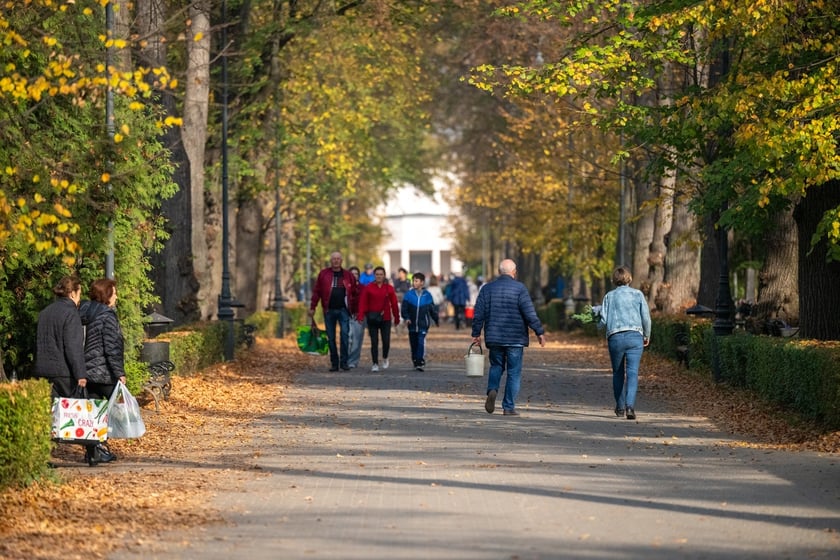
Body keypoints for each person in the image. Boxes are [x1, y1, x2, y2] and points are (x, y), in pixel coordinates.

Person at [34, 275, 109, 466]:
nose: (79, 298)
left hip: (43, 369)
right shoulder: (71, 314)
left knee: (47, 414)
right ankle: (93, 451)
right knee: (83, 411)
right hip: (64, 371)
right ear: (73, 292)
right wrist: (80, 374)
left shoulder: (45, 312)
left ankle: (44, 456)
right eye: (79, 293)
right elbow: (73, 347)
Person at [471, 259, 546, 416]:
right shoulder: (520, 289)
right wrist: (539, 332)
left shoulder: (487, 289)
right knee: (514, 372)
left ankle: (492, 390)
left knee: (496, 366)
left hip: (494, 336)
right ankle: (508, 407)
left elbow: (479, 313)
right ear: (514, 272)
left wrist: (476, 333)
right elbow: (529, 313)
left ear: (499, 272)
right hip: (515, 338)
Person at [78, 278, 126, 463]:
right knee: (117, 408)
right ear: (107, 295)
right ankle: (100, 447)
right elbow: (111, 348)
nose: (116, 296)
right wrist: (119, 373)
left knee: (92, 412)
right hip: (104, 373)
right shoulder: (107, 315)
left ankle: (92, 452)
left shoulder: (82, 312)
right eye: (114, 293)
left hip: (85, 372)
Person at [598, 266, 651, 420]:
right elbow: (646, 318)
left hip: (615, 338)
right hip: (635, 337)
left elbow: (603, 321)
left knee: (618, 372)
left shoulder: (609, 297)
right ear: (629, 278)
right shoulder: (638, 295)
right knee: (633, 372)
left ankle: (620, 407)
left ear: (614, 279)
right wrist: (646, 335)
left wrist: (597, 323)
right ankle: (630, 406)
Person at [309, 251, 359, 372]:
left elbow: (354, 293)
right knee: (330, 338)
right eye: (334, 259)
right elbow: (317, 292)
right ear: (331, 261)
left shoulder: (348, 275)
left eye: (338, 259)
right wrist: (313, 307)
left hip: (344, 310)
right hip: (329, 310)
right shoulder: (324, 274)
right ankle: (334, 363)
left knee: (345, 336)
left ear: (341, 261)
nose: (336, 261)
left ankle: (344, 362)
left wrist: (355, 310)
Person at [357, 266, 400, 372]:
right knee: (374, 341)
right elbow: (363, 302)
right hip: (372, 318)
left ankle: (385, 357)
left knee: (386, 341)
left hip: (385, 318)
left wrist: (396, 317)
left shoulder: (389, 288)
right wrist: (361, 315)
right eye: (377, 274)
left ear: (384, 275)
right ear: (374, 275)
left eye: (381, 274)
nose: (379, 276)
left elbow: (394, 303)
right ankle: (375, 363)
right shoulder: (369, 287)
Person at [400, 272, 439, 371]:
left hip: (423, 324)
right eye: (414, 281)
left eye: (416, 281)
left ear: (422, 282)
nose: (414, 283)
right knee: (413, 344)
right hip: (412, 324)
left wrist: (436, 319)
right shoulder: (409, 295)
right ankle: (415, 359)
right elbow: (404, 309)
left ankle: (420, 361)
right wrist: (407, 318)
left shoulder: (427, 295)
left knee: (421, 342)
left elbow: (432, 309)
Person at [346, 266, 365, 369]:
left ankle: (353, 361)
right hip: (347, 315)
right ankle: (345, 359)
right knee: (348, 338)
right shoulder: (345, 287)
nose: (354, 275)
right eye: (352, 273)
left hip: (359, 316)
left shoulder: (363, 288)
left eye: (356, 274)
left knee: (357, 340)